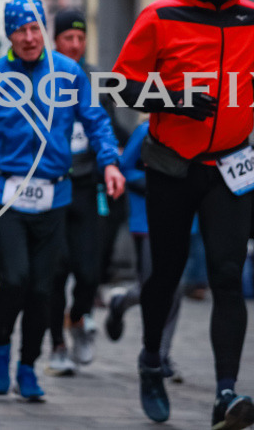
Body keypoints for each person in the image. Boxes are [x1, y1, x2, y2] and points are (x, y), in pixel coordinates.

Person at [112, 0, 254, 429]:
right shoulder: (160, 16)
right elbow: (120, 86)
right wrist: (177, 100)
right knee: (164, 275)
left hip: (230, 167)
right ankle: (150, 362)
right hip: (172, 167)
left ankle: (226, 392)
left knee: (227, 276)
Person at [0, 0, 125, 401]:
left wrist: (110, 163)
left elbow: (96, 121)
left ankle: (27, 366)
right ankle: (1, 346)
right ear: (10, 34)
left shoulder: (68, 72)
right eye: (21, 31)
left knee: (43, 289)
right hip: (7, 194)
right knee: (15, 277)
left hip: (54, 195)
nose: (29, 38)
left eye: (35, 30)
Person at [46, 7, 129, 374]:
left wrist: (117, 160)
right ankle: (58, 345)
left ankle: (77, 317)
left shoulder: (98, 79)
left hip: (88, 185)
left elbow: (110, 129)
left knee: (89, 269)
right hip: (50, 186)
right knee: (55, 269)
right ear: (56, 40)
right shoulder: (40, 76)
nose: (76, 44)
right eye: (68, 38)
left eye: (81, 38)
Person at [104, 121, 186, 383]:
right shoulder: (147, 129)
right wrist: (155, 184)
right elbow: (124, 168)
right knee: (154, 285)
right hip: (147, 219)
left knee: (177, 287)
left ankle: (162, 354)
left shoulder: (201, 129)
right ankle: (121, 302)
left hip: (182, 218)